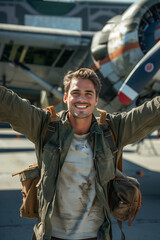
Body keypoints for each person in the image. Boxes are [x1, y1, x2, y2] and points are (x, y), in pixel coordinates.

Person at [0, 68, 160, 240]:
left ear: (96, 99)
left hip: (95, 236)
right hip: (50, 236)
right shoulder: (44, 125)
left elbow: (153, 110)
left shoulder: (114, 129)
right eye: (75, 93)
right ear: (66, 97)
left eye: (88, 94)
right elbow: (8, 102)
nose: (82, 99)